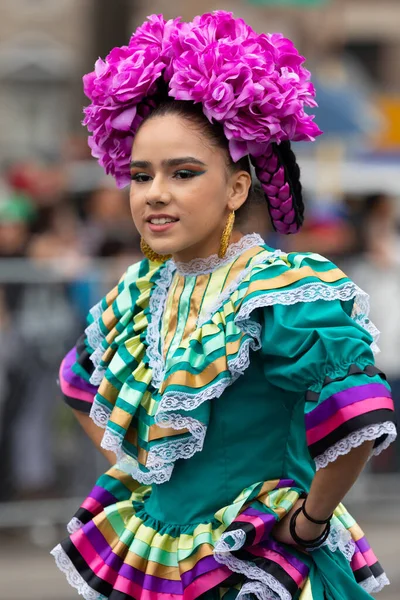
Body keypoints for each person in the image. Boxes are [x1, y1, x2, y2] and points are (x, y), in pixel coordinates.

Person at [51, 12, 397, 600]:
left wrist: (307, 523)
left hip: (258, 561)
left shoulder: (281, 290)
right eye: (141, 175)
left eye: (183, 173)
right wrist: (145, 470)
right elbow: (81, 383)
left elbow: (356, 417)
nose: (155, 193)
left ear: (237, 188)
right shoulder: (139, 289)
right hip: (159, 555)